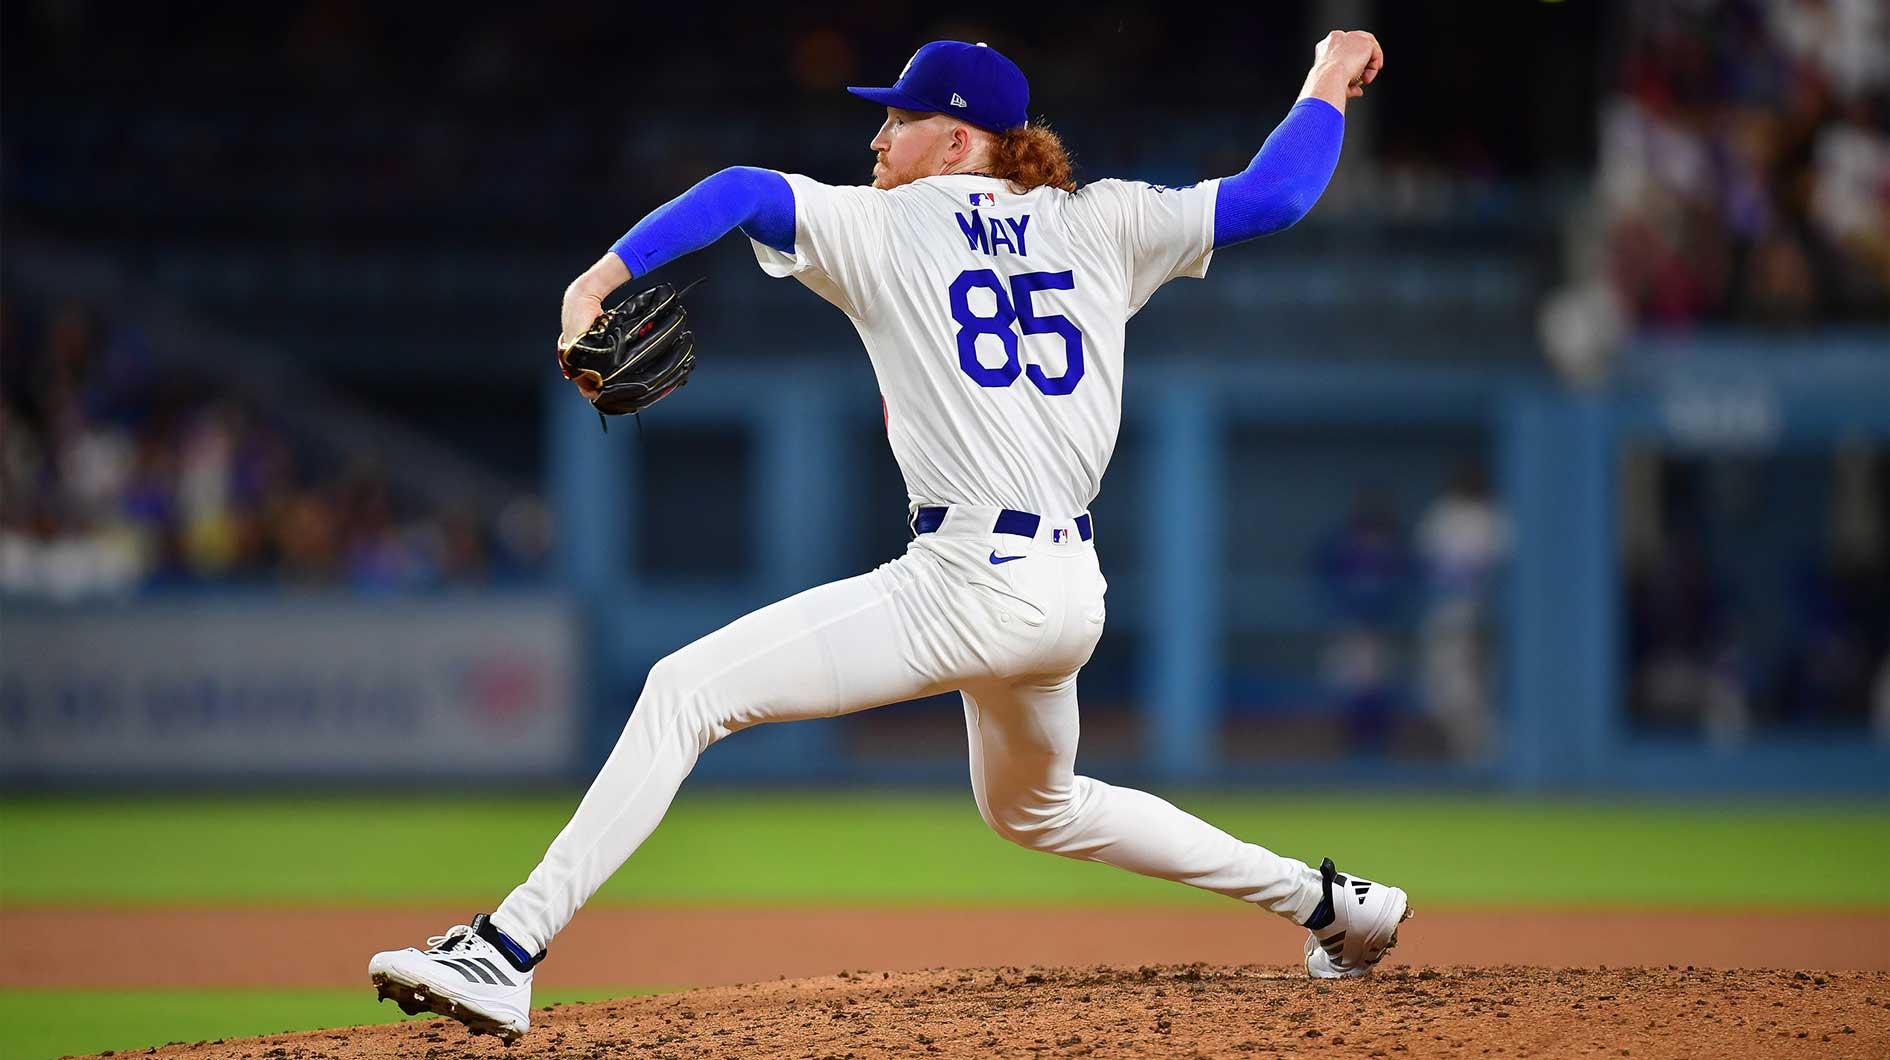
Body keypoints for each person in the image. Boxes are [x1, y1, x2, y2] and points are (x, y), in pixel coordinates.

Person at [369, 31, 1404, 1042]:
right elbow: (1278, 194)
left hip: (966, 581)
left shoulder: (885, 226)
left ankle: (503, 953)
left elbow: (738, 189)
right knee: (1036, 809)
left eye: (901, 119)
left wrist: (597, 280)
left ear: (960, 141)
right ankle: (1331, 906)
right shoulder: (1106, 221)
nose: (878, 141)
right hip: (1068, 593)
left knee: (685, 689)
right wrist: (1324, 74)